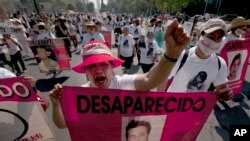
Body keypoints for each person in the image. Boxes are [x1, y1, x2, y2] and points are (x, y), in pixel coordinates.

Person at [49, 19, 190, 129]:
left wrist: (171, 54)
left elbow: (149, 79)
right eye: (91, 65)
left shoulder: (123, 83)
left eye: (103, 63)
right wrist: (56, 105)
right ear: (86, 72)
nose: (98, 69)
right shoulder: (81, 95)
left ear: (112, 68)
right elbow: (62, 125)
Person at [160, 18, 233, 101]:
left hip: (196, 111)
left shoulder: (220, 64)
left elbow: (221, 88)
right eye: (211, 36)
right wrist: (159, 102)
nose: (214, 41)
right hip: (173, 107)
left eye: (219, 38)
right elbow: (163, 79)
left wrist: (225, 93)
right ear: (200, 35)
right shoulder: (181, 56)